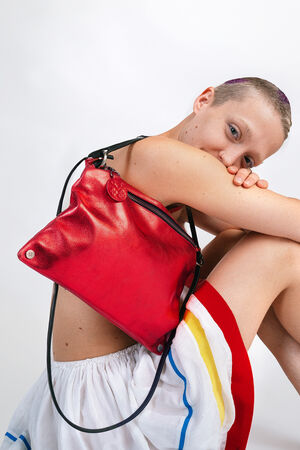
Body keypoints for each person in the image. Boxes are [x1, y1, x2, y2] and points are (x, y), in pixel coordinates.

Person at [2, 77, 299, 450]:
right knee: (278, 254)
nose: (228, 158)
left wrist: (247, 193)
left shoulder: (145, 156)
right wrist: (254, 200)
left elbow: (256, 227)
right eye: (233, 131)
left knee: (245, 244)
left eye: (247, 159)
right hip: (114, 407)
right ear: (204, 100)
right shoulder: (164, 159)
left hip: (82, 390)